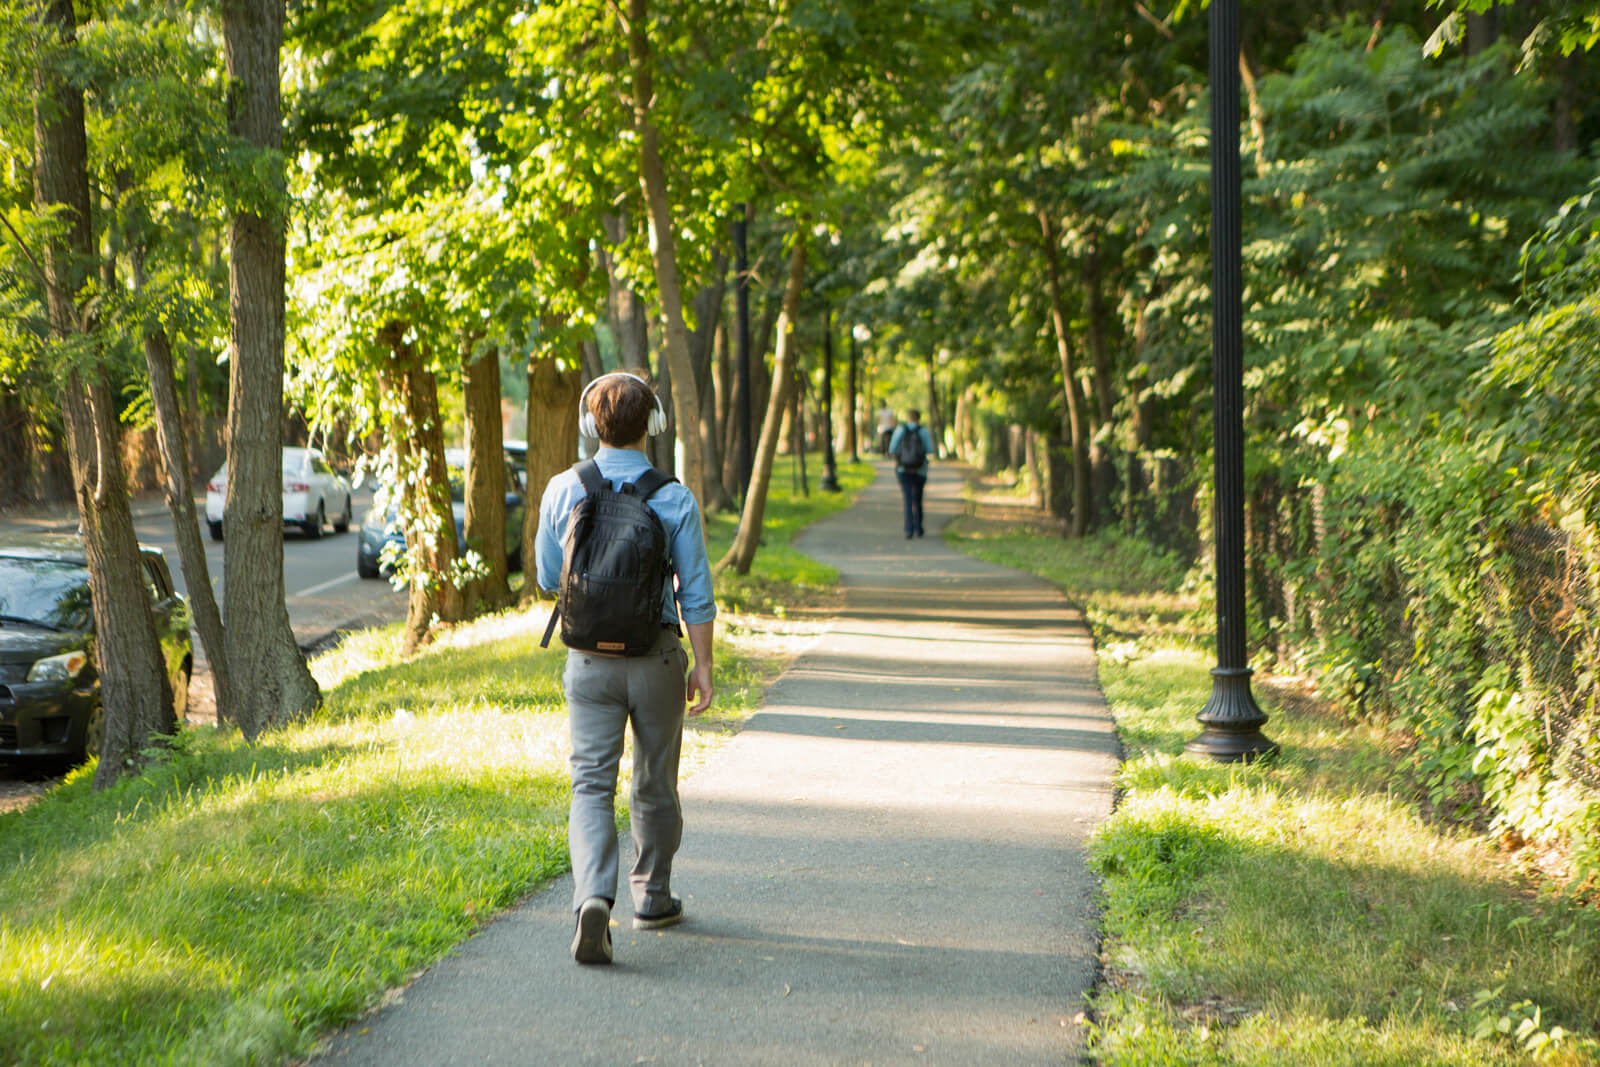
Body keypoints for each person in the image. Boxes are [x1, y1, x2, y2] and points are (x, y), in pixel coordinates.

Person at [536, 372, 716, 966]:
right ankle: (653, 896)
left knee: (590, 783)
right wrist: (705, 665)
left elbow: (545, 577)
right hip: (657, 659)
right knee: (654, 783)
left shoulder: (564, 488)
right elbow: (696, 594)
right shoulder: (674, 497)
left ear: (591, 425)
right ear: (653, 425)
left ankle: (593, 897)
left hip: (588, 662)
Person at [887, 410, 935, 539]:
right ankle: (919, 528)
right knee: (917, 498)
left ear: (908, 418)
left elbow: (892, 448)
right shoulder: (923, 431)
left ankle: (909, 529)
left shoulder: (900, 430)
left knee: (907, 498)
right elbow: (930, 449)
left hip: (903, 469)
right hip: (920, 470)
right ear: (919, 418)